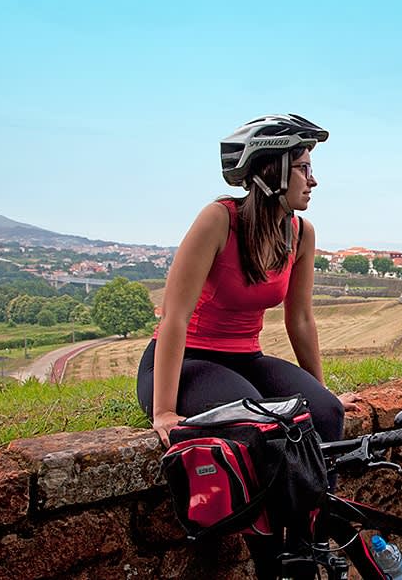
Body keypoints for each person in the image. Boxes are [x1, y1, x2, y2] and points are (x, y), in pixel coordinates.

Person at [136, 114, 360, 578]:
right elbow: (173, 317)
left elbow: (299, 318)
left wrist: (321, 389)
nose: (313, 180)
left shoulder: (300, 232)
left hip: (245, 356)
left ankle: (308, 540)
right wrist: (162, 412)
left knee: (325, 414)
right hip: (185, 361)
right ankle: (270, 562)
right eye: (302, 167)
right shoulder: (220, 219)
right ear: (271, 171)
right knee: (265, 428)